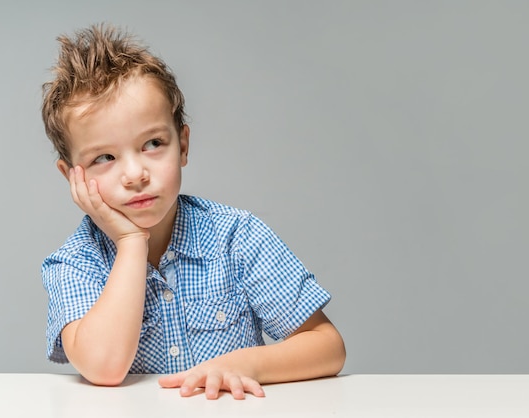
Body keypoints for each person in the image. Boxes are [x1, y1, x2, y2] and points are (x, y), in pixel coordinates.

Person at [41, 23, 346, 400]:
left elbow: (327, 345)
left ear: (182, 145)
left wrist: (247, 364)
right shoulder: (73, 264)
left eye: (153, 143)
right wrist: (132, 242)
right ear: (71, 175)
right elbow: (104, 367)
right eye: (105, 157)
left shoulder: (238, 236)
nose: (135, 174)